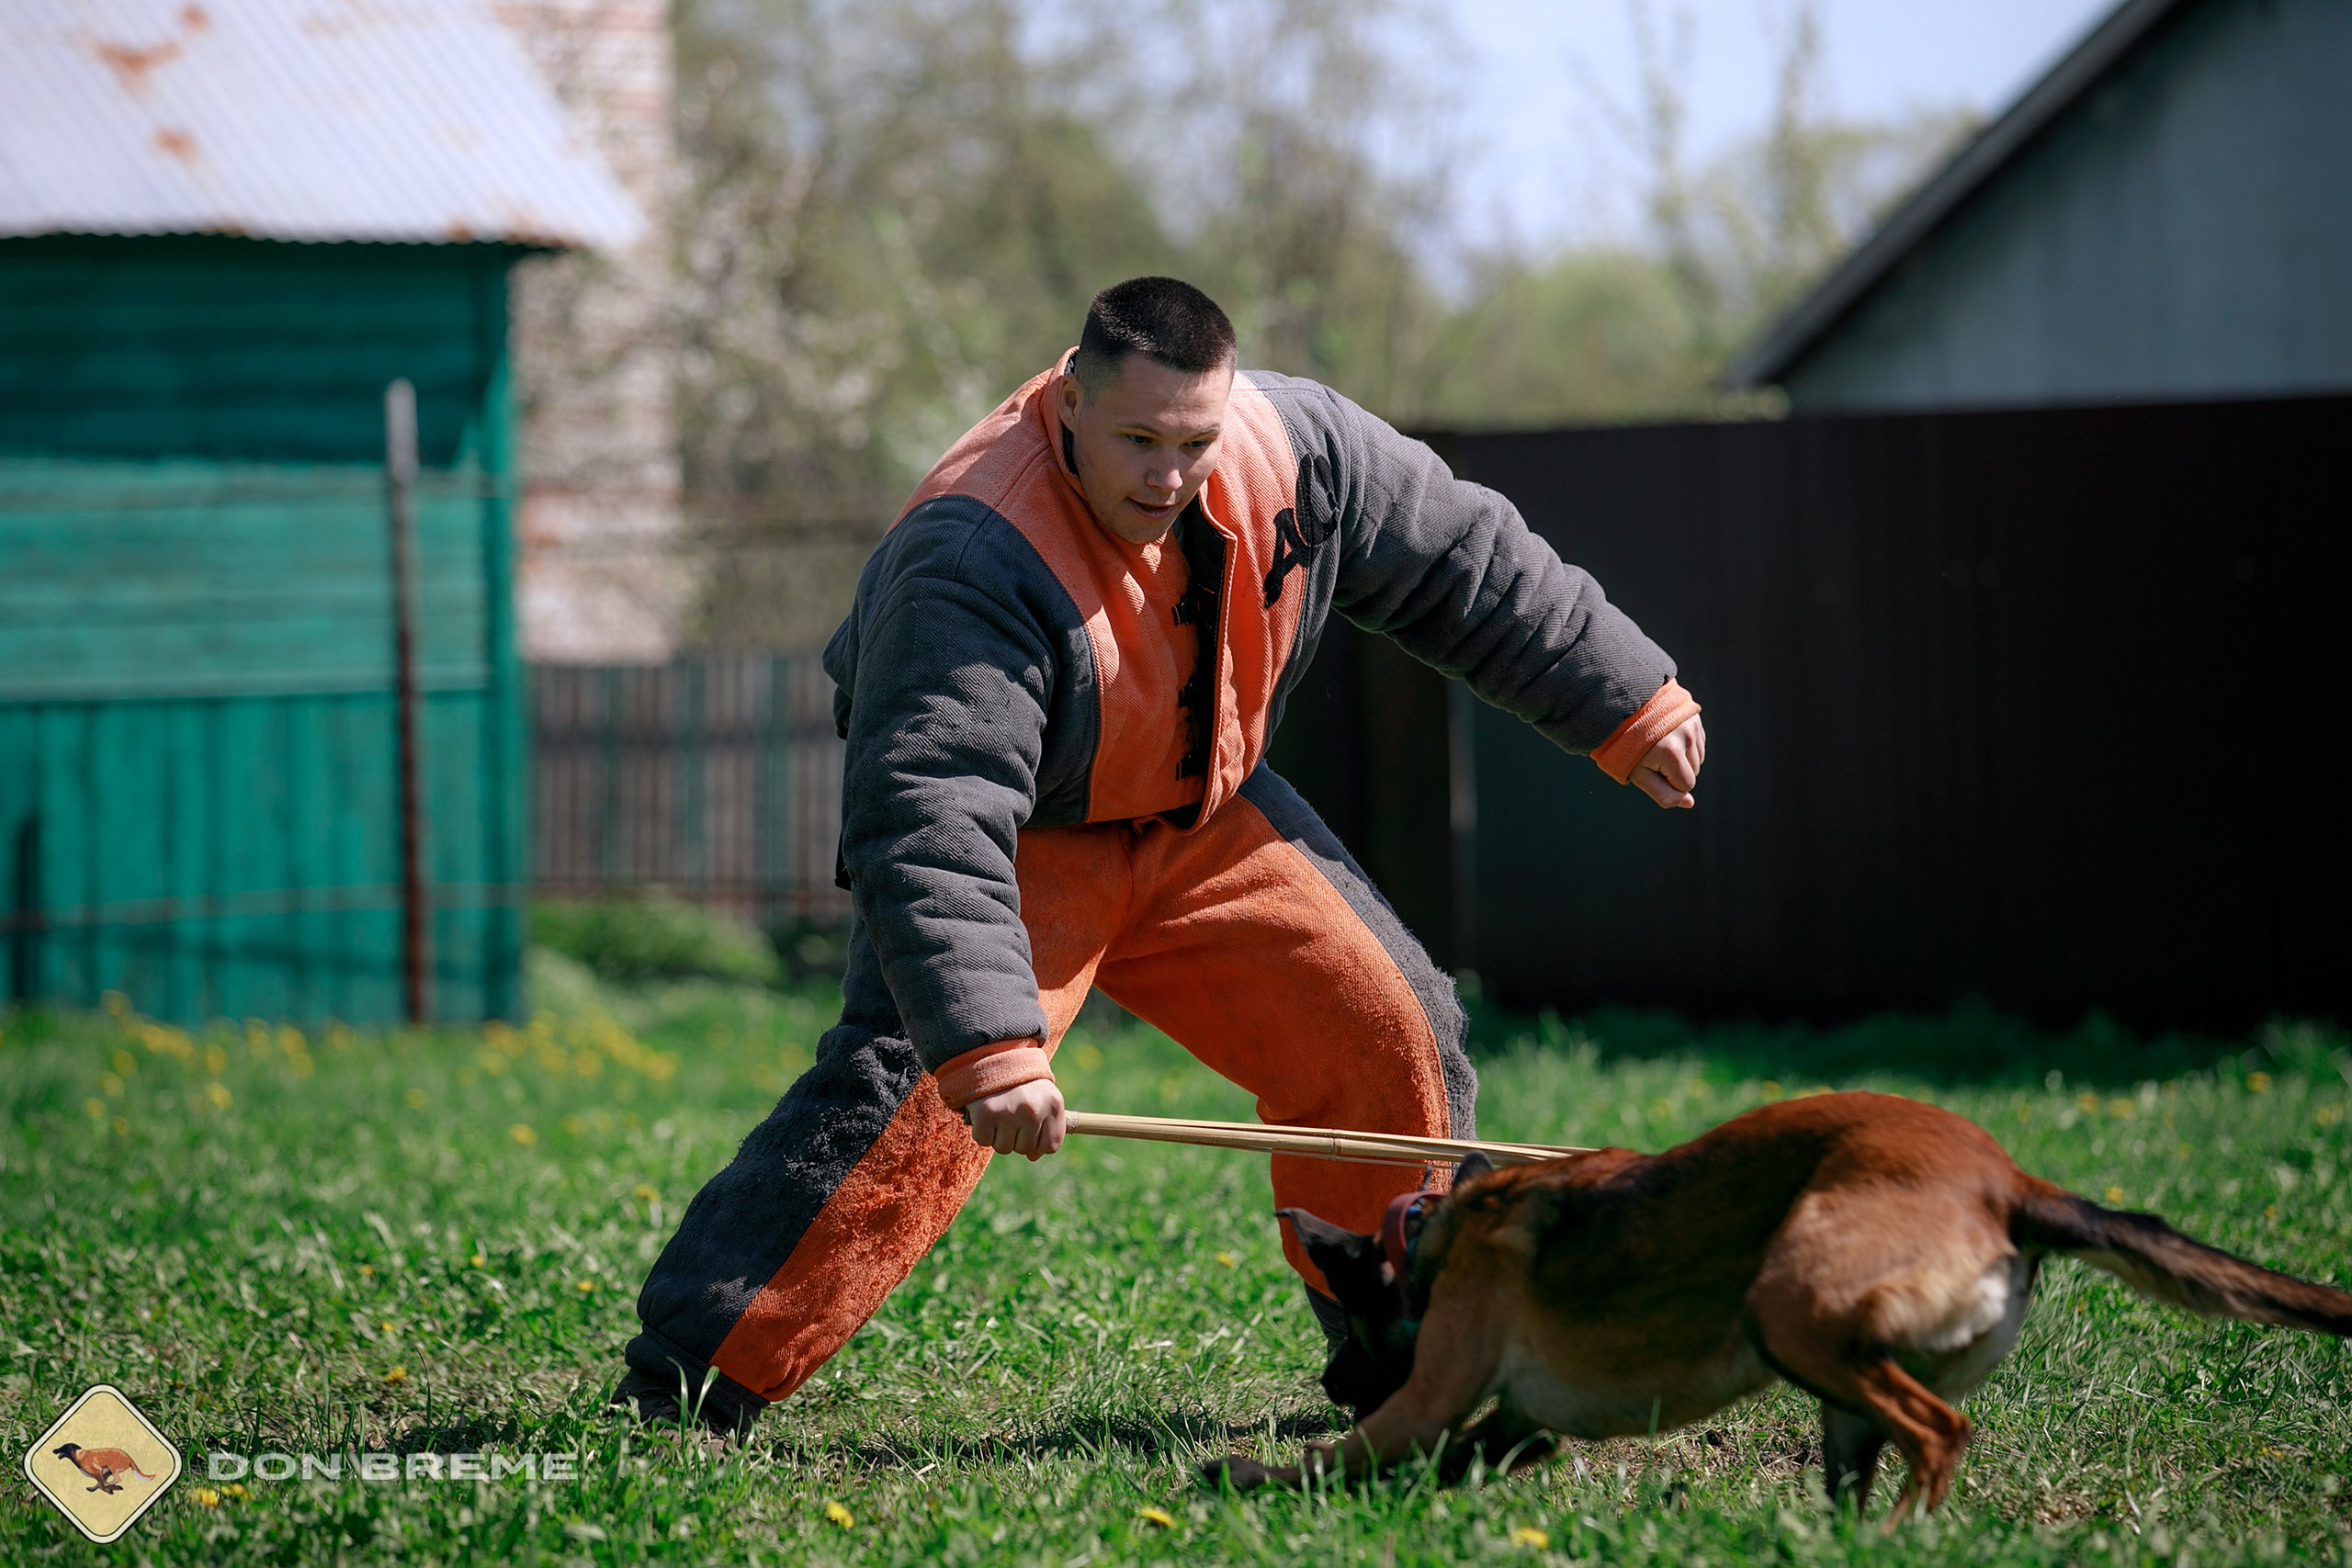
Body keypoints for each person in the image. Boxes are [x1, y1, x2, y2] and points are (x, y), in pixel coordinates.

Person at [608, 276, 1706, 1435]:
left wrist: (1628, 703)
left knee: (1392, 1039)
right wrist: (988, 1049)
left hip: (1203, 821)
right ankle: (685, 1387)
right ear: (1069, 398)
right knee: (908, 1108)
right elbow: (929, 813)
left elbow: (1466, 562)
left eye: (1193, 441)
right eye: (1136, 439)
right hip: (1024, 847)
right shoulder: (972, 553)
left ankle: (1407, 1367)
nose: (1166, 475)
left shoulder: (1304, 450)